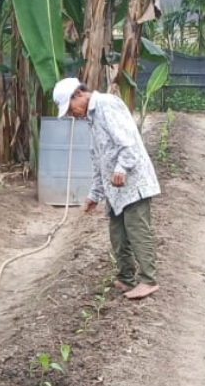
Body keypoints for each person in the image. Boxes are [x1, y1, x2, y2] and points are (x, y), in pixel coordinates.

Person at [52, 78, 161, 300]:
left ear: (78, 94)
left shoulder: (107, 105)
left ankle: (148, 280)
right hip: (116, 188)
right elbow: (100, 160)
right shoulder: (92, 118)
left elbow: (128, 142)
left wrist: (122, 168)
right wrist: (95, 194)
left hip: (133, 182)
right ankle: (126, 277)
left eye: (70, 109)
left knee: (137, 231)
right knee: (118, 234)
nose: (72, 114)